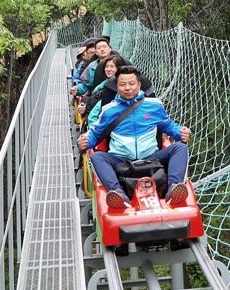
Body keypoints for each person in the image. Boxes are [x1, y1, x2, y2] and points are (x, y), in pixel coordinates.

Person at [81, 64, 192, 212]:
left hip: (151, 156)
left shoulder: (154, 106)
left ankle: (174, 187)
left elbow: (168, 126)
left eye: (131, 83)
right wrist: (84, 141)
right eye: (123, 84)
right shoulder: (109, 110)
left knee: (180, 148)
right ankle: (117, 193)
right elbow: (95, 133)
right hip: (121, 159)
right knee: (97, 157)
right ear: (117, 87)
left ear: (139, 85)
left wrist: (180, 132)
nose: (128, 88)